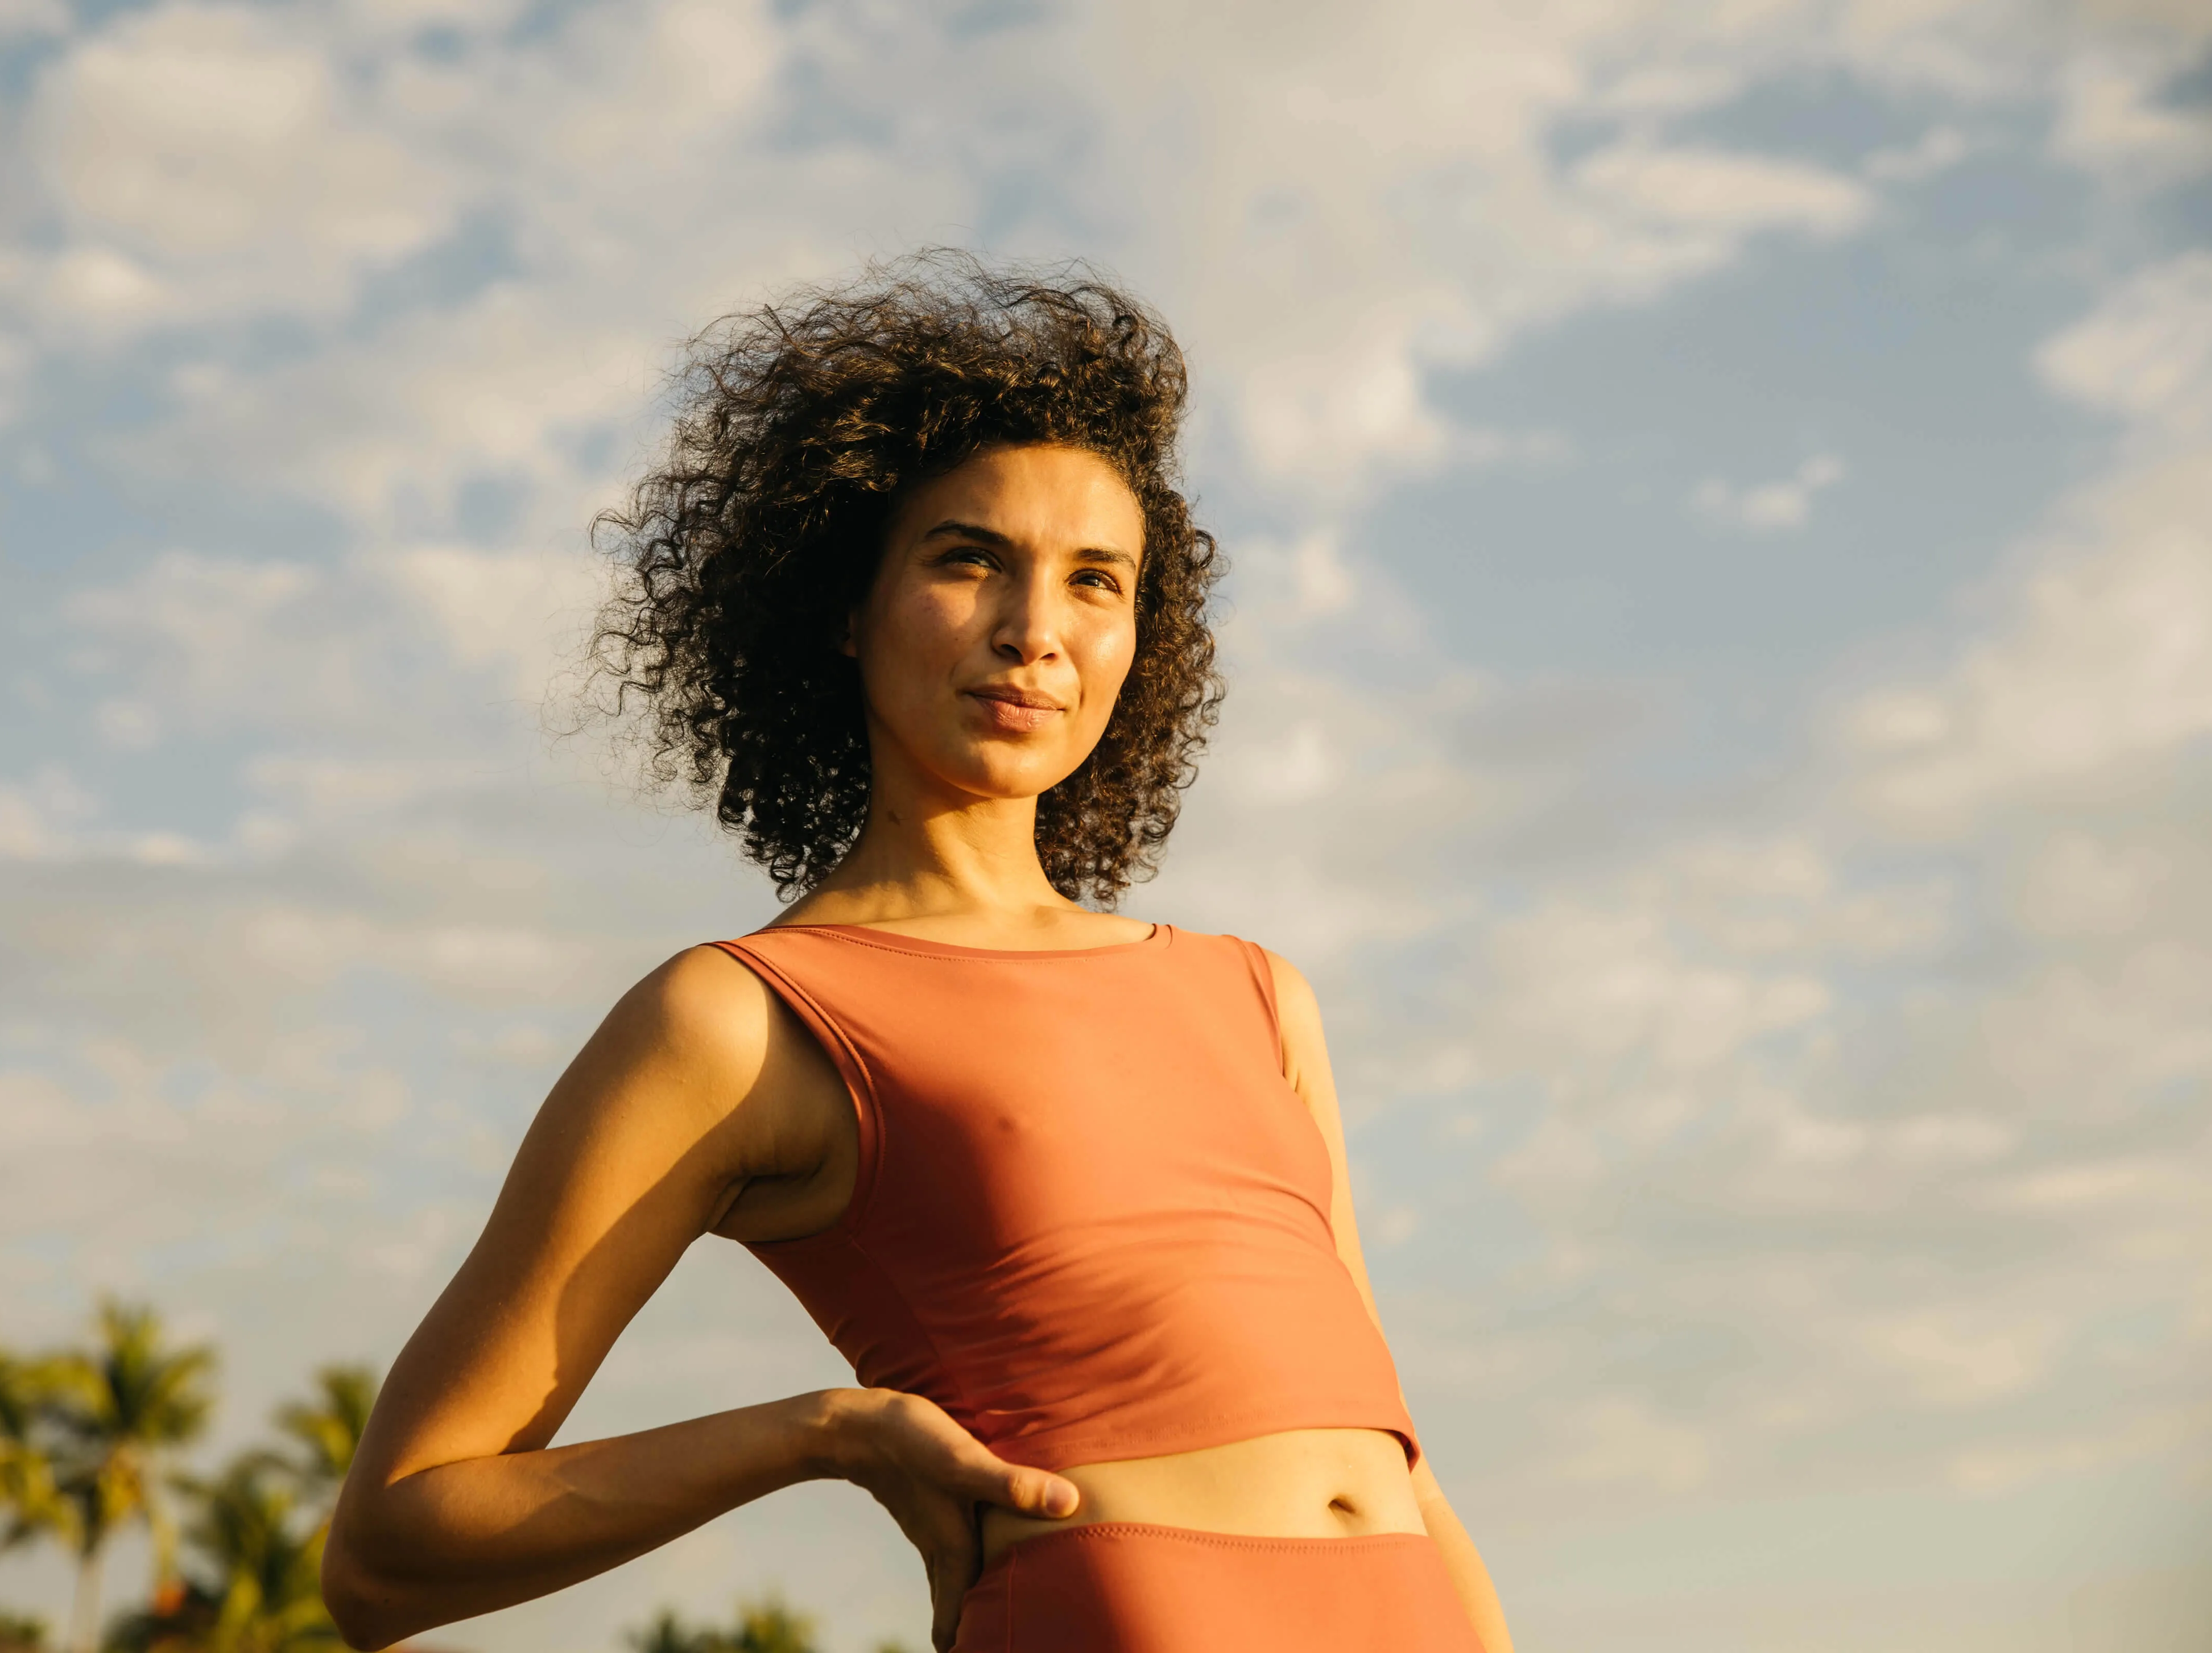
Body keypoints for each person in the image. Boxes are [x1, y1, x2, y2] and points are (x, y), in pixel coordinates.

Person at [320, 254, 1514, 1653]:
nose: (1036, 634)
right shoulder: (743, 1020)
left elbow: (1403, 1465)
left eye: (1095, 583)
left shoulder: (1257, 995)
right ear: (843, 605)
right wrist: (825, 1433)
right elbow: (394, 1543)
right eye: (969, 561)